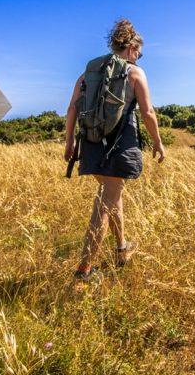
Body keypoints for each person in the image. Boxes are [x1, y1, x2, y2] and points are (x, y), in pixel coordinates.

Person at [64, 19, 166, 282]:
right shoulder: (134, 73)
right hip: (119, 146)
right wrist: (157, 141)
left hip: (91, 144)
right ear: (131, 48)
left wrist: (70, 143)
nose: (139, 59)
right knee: (103, 206)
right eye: (139, 54)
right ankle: (84, 272)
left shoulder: (88, 72)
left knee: (111, 196)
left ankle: (122, 249)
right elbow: (148, 111)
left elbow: (72, 109)